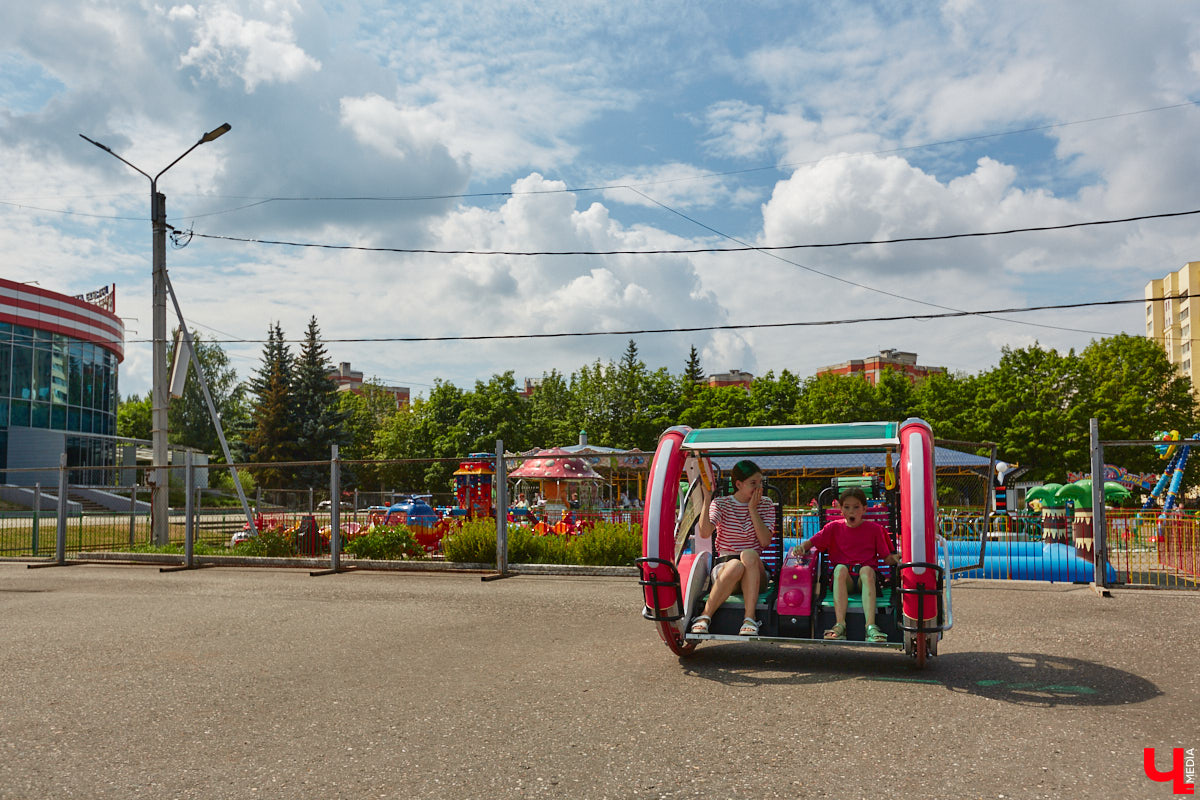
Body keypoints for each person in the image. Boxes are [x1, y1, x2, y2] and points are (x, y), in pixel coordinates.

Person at [792, 486, 900, 643]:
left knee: (867, 570)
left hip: (866, 580)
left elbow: (886, 557)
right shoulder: (833, 528)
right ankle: (839, 624)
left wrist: (896, 558)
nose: (852, 511)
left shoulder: (875, 530)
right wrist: (801, 548)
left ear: (864, 509)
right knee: (840, 569)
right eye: (847, 507)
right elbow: (812, 542)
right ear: (840, 509)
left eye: (856, 507)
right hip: (845, 580)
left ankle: (870, 626)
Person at [688, 460, 776, 636]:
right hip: (727, 568)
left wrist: (752, 509)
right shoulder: (721, 504)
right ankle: (705, 616)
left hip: (755, 570)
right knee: (736, 565)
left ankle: (749, 618)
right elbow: (705, 532)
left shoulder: (765, 504)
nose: (759, 488)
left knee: (748, 555)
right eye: (753, 483)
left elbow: (765, 541)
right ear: (738, 484)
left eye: (760, 483)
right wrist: (707, 499)